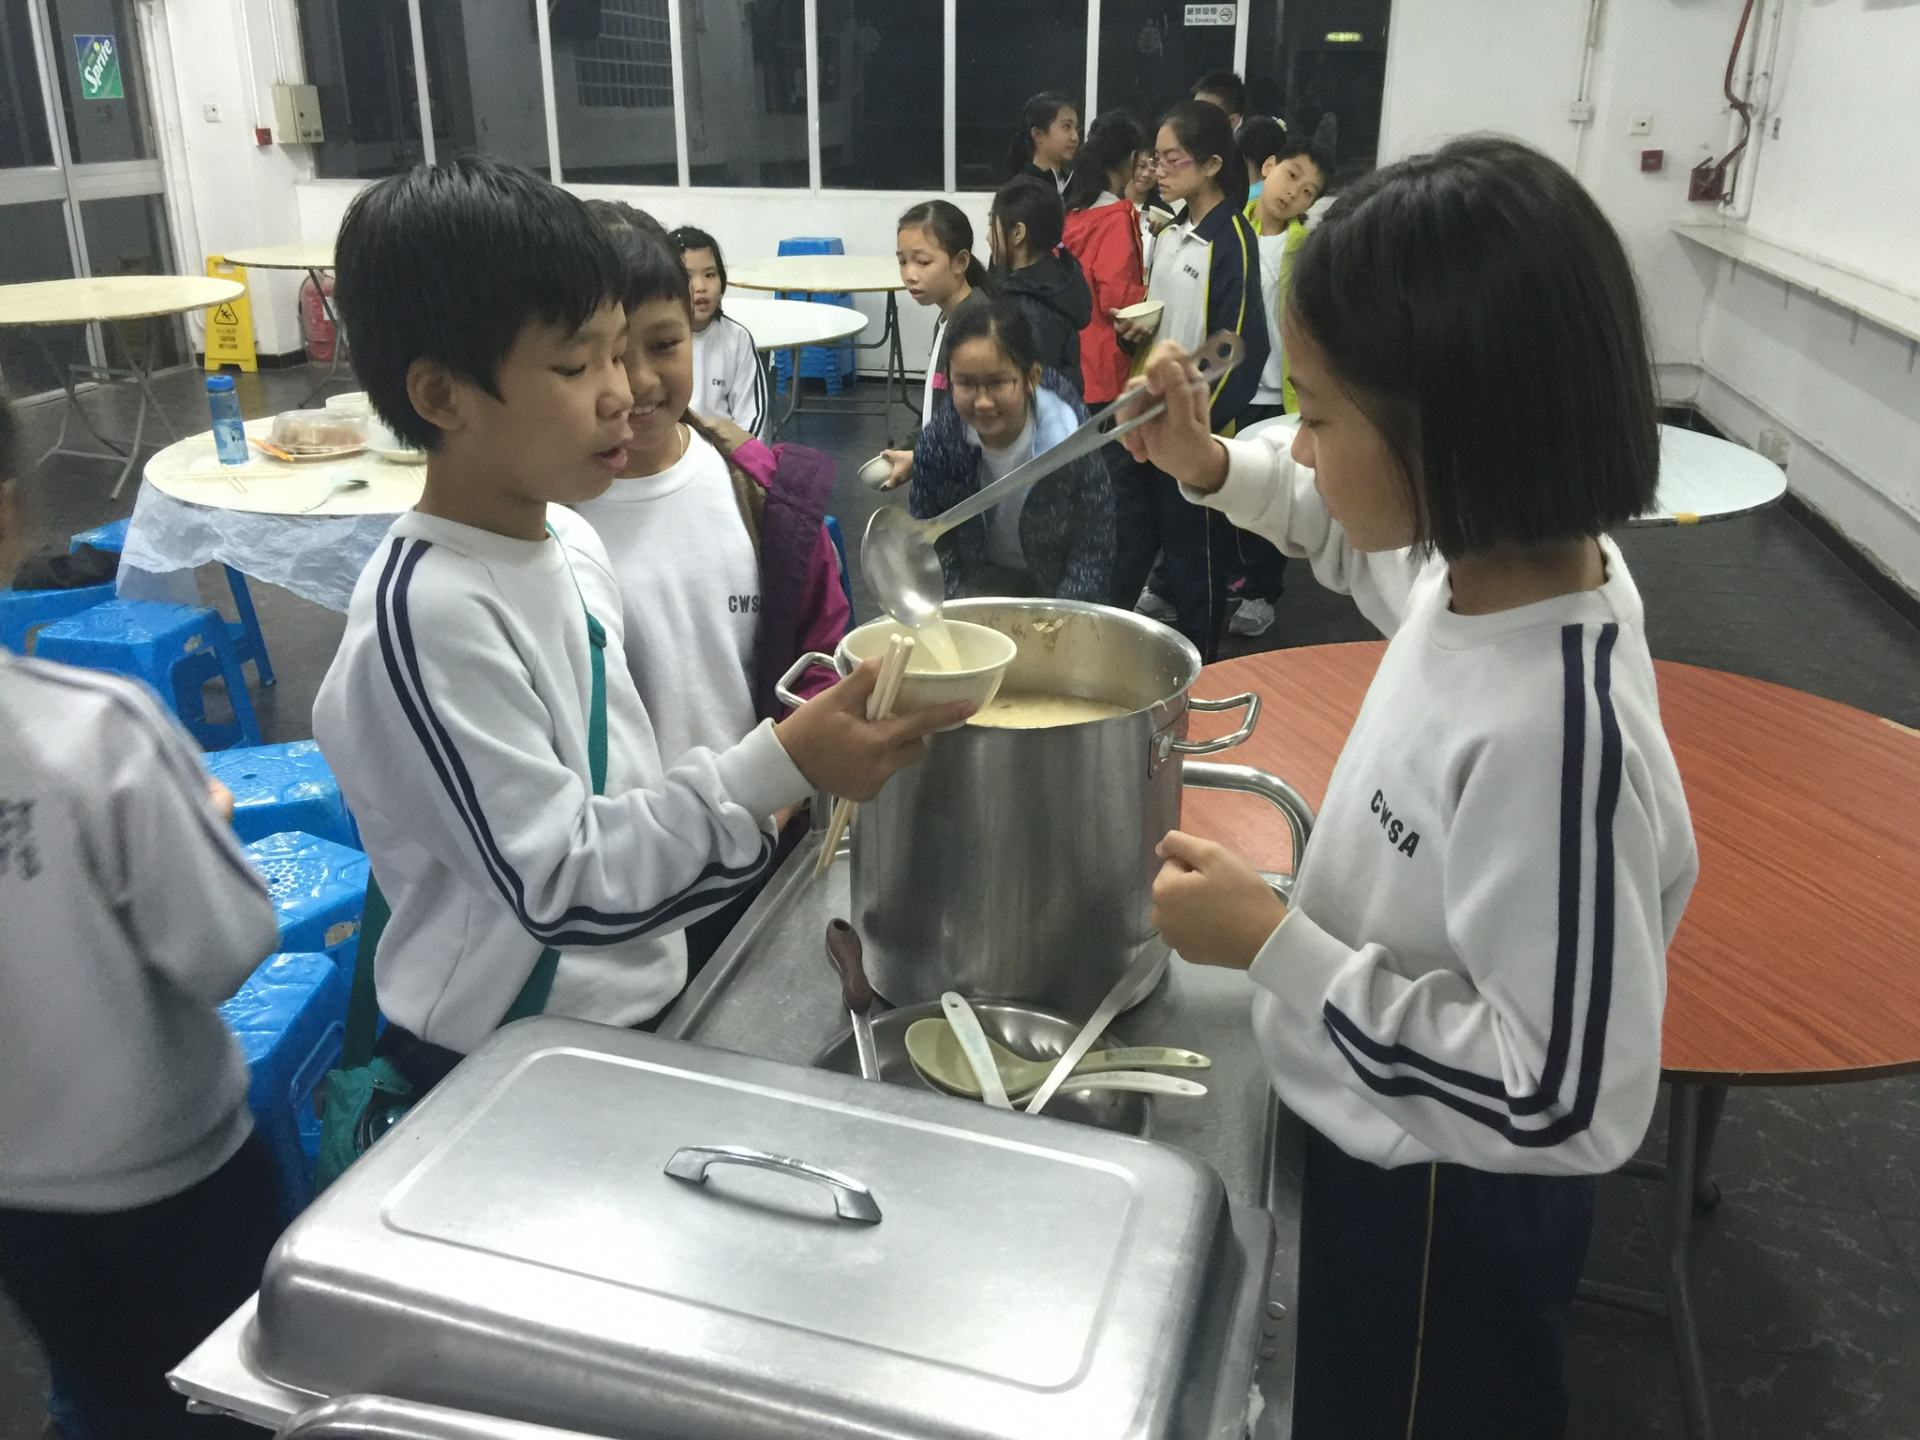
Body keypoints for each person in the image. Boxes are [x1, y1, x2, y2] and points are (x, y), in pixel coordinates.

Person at [1131, 136, 1698, 1440]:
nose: (1301, 445)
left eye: (1321, 417)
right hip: (1387, 1123)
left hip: (1453, 1198)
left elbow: (1564, 1096)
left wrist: (1275, 945)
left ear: (1452, 438)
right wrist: (1211, 467)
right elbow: (1349, 533)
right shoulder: (1482, 565)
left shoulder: (1551, 725)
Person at [313, 158, 968, 1086]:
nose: (620, 391)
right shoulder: (426, 615)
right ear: (442, 396)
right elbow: (563, 885)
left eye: (622, 352)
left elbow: (621, 800)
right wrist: (784, 762)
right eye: (575, 365)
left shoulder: (570, 544)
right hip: (505, 1066)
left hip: (634, 1009)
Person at [0, 394, 287, 1440]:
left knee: (108, 1392)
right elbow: (227, 947)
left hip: (21, 1198)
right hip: (177, 1172)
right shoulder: (94, 731)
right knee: (234, 1391)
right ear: (8, 514)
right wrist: (200, 822)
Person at [576, 202, 850, 968]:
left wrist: (787, 792)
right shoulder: (549, 515)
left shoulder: (760, 494)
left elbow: (822, 656)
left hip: (759, 852)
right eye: (604, 356)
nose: (637, 381)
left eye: (664, 344)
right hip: (613, 889)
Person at [1107, 99, 1268, 662]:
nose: (1159, 170)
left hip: (1192, 434)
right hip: (1146, 424)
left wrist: (1191, 431)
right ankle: (1100, 652)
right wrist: (1135, 335)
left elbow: (1239, 349)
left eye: (1172, 159)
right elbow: (1168, 323)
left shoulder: (1233, 241)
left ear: (1212, 165)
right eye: (1155, 159)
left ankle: (1202, 669)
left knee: (1195, 557)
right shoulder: (1172, 232)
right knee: (1128, 543)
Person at [909, 301, 1112, 601]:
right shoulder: (938, 444)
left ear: (1032, 378)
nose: (982, 402)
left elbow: (1093, 545)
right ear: (949, 378)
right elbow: (931, 544)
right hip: (977, 590)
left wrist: (1065, 616)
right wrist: (961, 611)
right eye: (966, 383)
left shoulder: (1069, 435)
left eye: (997, 383)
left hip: (1056, 590)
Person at [1224, 116, 1334, 639]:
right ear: (1268, 167)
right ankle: (1215, 579)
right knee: (1221, 490)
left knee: (1268, 497)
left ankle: (1262, 591)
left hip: (1280, 393)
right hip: (1230, 386)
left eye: (1308, 191)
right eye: (1291, 175)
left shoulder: (1309, 250)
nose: (1294, 193)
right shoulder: (1228, 231)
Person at [875, 199, 993, 490]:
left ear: (960, 262)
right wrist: (910, 448)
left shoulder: (976, 327)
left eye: (923, 262)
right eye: (903, 261)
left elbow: (979, 427)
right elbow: (940, 414)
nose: (909, 274)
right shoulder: (948, 319)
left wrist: (920, 458)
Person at [1061, 109, 1149, 407]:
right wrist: (1149, 296)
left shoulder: (1069, 213)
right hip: (1102, 365)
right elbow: (1116, 298)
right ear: (1133, 158)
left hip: (1066, 359)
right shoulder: (1116, 218)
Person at [987, 175, 1091, 398]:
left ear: (1018, 233)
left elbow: (1032, 389)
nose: (988, 238)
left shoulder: (1030, 305)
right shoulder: (1052, 280)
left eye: (991, 225)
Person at [668, 224, 767, 438]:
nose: (700, 287)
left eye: (710, 274)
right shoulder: (658, 341)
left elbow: (751, 416)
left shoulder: (737, 338)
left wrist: (738, 453)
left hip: (725, 449)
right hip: (673, 448)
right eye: (687, 277)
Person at [1007, 91, 1080, 192]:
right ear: (1038, 135)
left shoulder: (1076, 187)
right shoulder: (1021, 191)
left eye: (1076, 128)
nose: (1075, 137)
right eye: (1067, 126)